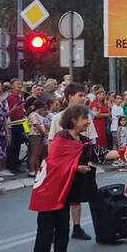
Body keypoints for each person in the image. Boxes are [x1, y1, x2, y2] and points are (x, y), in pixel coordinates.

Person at [29, 104, 119, 252]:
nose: (88, 122)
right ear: (73, 119)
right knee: (46, 229)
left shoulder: (82, 140)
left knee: (63, 228)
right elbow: (53, 163)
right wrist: (76, 168)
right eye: (85, 118)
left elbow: (101, 153)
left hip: (64, 191)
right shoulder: (60, 138)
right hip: (49, 190)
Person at [49, 83, 98, 241]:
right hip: (64, 167)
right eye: (80, 95)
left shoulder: (87, 118)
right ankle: (58, 228)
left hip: (82, 164)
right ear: (70, 97)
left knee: (78, 196)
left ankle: (76, 227)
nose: (84, 98)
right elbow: (52, 143)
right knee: (62, 198)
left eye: (85, 95)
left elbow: (91, 142)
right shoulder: (58, 118)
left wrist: (91, 159)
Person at [4, 78, 26, 175]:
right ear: (12, 86)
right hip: (13, 123)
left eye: (21, 84)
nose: (20, 86)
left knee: (17, 145)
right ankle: (11, 165)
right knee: (13, 145)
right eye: (18, 84)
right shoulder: (10, 97)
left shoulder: (20, 96)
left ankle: (16, 164)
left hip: (20, 122)